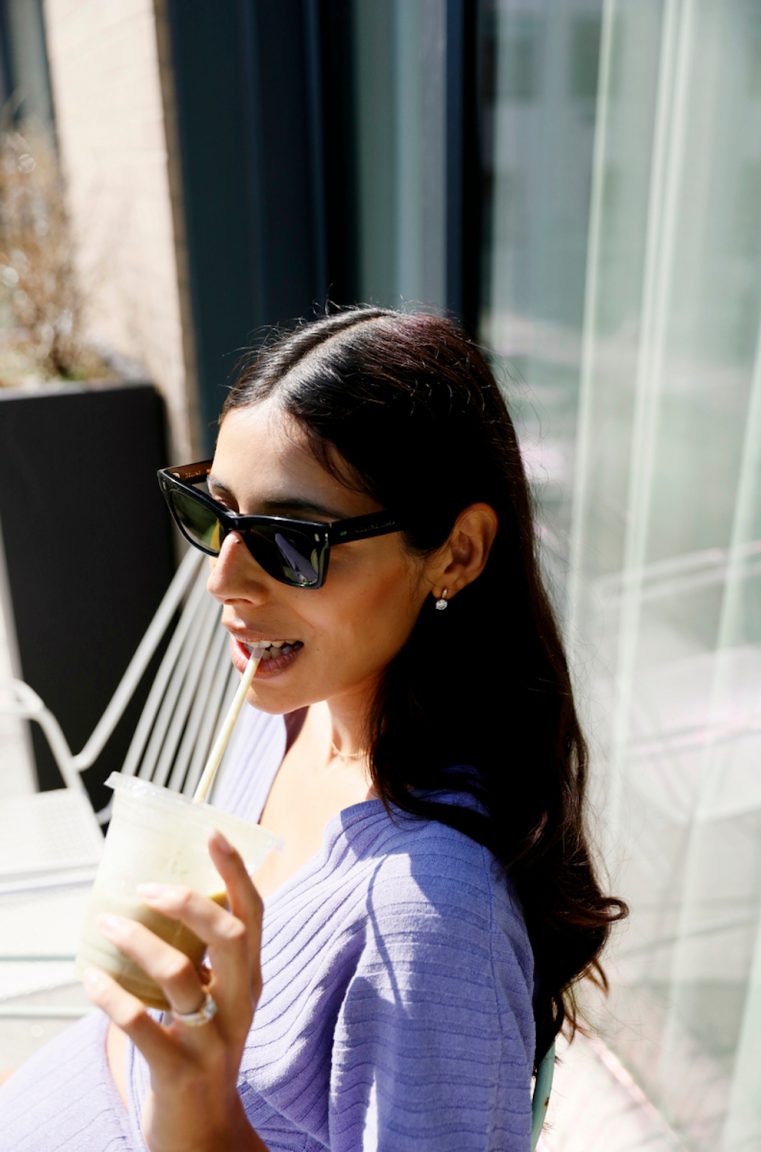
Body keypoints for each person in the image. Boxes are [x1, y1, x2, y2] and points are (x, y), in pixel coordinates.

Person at [0, 305, 627, 1151]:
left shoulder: (431, 921)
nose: (225, 579)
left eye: (293, 541)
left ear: (457, 553)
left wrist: (204, 1110)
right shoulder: (290, 709)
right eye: (215, 513)